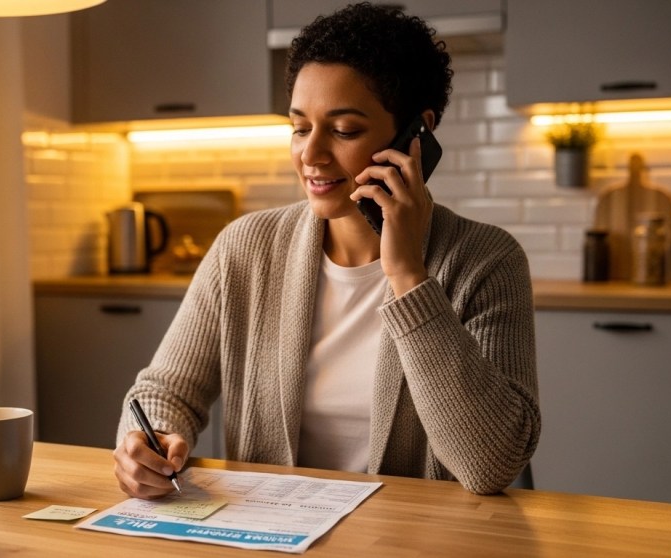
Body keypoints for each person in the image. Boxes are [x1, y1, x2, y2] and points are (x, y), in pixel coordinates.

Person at [113, 1, 539, 498]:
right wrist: (149, 441)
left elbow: (491, 466)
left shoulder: (487, 260)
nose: (311, 155)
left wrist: (407, 277)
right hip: (273, 539)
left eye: (344, 130)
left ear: (416, 135)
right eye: (299, 127)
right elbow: (163, 392)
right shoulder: (246, 249)